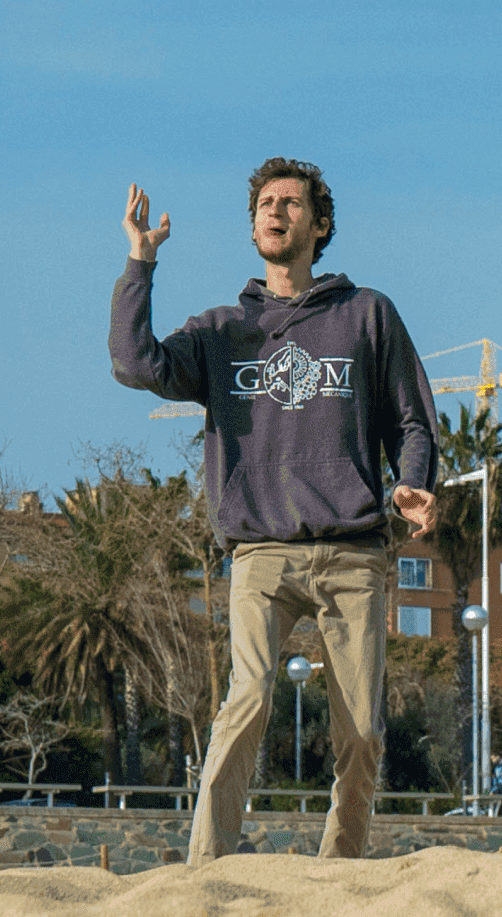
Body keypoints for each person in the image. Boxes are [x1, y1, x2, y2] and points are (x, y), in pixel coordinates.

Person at [111, 159, 439, 860]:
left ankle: (341, 870)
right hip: (259, 549)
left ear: (319, 226)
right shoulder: (223, 330)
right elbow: (135, 364)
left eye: (291, 203)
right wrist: (140, 263)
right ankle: (207, 865)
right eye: (265, 202)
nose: (275, 211)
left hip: (353, 551)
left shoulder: (367, 314)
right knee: (248, 699)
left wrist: (413, 481)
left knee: (361, 731)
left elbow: (413, 420)